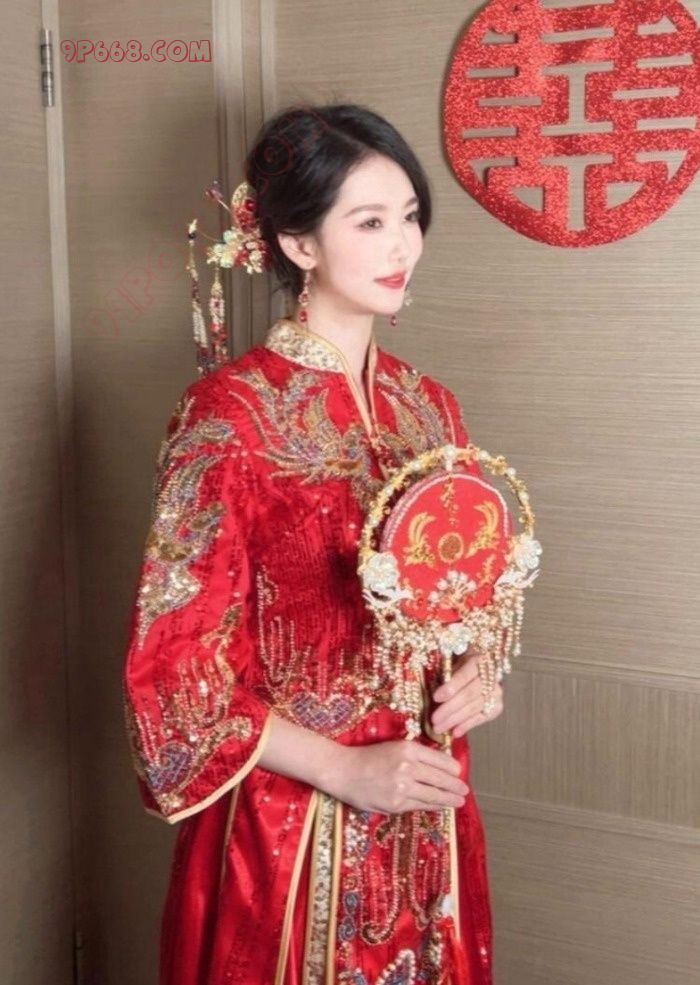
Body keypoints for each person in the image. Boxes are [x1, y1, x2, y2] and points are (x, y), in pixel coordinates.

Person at [122, 102, 503, 985]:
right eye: (368, 223)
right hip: (289, 819)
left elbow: (455, 593)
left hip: (425, 799)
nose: (401, 245)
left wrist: (473, 670)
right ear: (298, 243)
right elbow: (172, 672)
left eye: (409, 216)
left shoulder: (429, 408)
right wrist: (342, 767)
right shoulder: (229, 416)